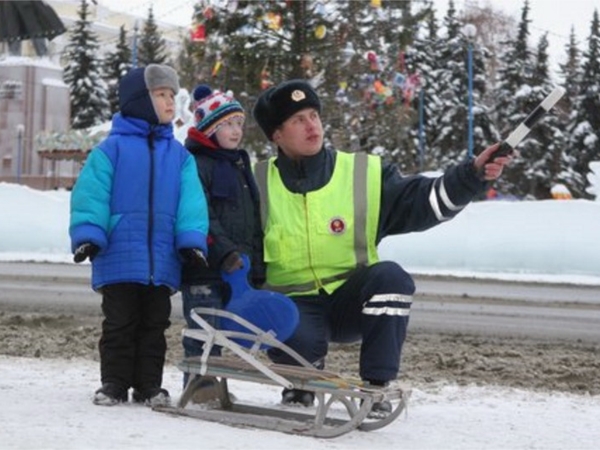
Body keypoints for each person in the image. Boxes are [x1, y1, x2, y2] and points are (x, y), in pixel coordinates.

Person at [252, 79, 511, 414]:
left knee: (391, 278)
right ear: (276, 135)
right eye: (297, 120)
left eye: (314, 115)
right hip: (293, 307)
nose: (311, 125)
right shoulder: (256, 182)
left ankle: (375, 387)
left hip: (350, 300)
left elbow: (424, 201)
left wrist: (472, 174)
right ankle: (301, 381)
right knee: (294, 331)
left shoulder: (363, 172)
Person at [69, 64, 210, 408]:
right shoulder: (110, 150)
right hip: (118, 255)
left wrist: (191, 240)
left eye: (171, 96)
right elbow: (91, 195)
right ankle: (114, 383)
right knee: (118, 323)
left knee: (154, 326)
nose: (168, 103)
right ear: (138, 100)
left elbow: (191, 201)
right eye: (160, 95)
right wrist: (89, 233)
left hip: (162, 258)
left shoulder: (179, 156)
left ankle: (149, 386)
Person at [180, 85, 265, 402]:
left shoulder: (239, 165)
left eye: (239, 124)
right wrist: (224, 251)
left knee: (224, 332)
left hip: (235, 269)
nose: (236, 131)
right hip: (203, 267)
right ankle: (197, 386)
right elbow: (200, 214)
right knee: (203, 329)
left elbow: (253, 221)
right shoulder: (197, 164)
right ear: (210, 127)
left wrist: (256, 266)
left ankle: (215, 387)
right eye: (228, 124)